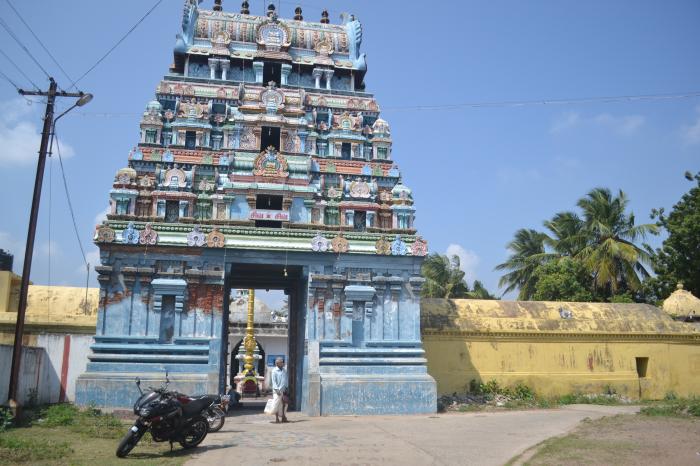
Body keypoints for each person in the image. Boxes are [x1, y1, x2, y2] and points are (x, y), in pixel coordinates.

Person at [271, 357, 288, 423]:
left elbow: (286, 379)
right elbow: (273, 381)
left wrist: (286, 387)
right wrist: (276, 389)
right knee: (277, 404)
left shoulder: (284, 370)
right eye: (281, 362)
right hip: (277, 391)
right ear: (277, 364)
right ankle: (277, 418)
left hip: (283, 390)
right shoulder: (274, 371)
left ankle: (283, 416)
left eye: (282, 362)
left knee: (285, 404)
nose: (282, 363)